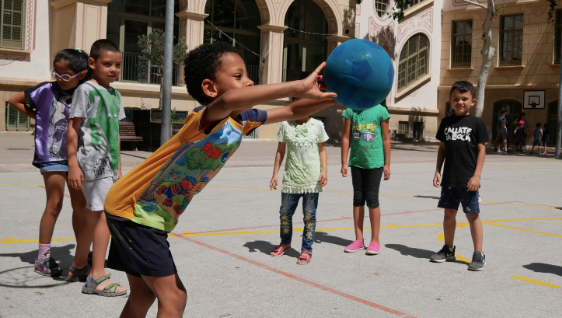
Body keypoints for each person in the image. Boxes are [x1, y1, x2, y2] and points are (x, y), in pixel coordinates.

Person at [103, 41, 336, 317]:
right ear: (210, 88)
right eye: (238, 77)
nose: (249, 82)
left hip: (141, 213)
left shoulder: (242, 119)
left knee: (143, 294)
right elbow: (226, 102)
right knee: (174, 298)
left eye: (247, 76)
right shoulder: (203, 118)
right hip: (134, 212)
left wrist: (330, 97)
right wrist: (297, 86)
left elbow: (291, 112)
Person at [6, 49, 89, 277]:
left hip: (78, 157)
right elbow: (13, 100)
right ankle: (42, 258)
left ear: (81, 74)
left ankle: (82, 252)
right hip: (52, 155)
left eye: (65, 75)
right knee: (54, 204)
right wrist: (40, 116)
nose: (59, 79)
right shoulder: (45, 89)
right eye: (57, 73)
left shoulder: (86, 93)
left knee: (80, 205)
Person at [65, 40, 128, 295]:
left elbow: (116, 134)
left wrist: (119, 167)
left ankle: (80, 264)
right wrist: (72, 164)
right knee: (104, 215)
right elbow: (73, 128)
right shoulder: (86, 90)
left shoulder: (115, 94)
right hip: (92, 161)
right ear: (92, 64)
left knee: (94, 214)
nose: (113, 69)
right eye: (107, 64)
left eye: (118, 65)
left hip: (109, 165)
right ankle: (97, 276)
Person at [430, 81, 489, 271]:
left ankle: (478, 253)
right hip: (450, 178)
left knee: (472, 215)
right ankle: (448, 249)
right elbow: (442, 149)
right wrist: (438, 170)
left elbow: (481, 150)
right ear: (450, 101)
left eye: (464, 99)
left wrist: (477, 175)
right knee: (449, 213)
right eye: (456, 99)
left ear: (473, 101)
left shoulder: (477, 123)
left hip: (469, 179)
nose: (460, 102)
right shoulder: (446, 122)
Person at [269, 107, 329, 265]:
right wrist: (275, 173)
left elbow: (322, 149)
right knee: (285, 213)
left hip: (312, 179)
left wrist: (324, 171)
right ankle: (285, 243)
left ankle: (306, 250)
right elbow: (280, 151)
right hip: (291, 178)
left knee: (309, 216)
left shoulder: (318, 125)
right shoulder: (285, 125)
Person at [340, 103, 391, 255]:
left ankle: (375, 240)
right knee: (358, 198)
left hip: (375, 163)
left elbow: (386, 139)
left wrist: (387, 164)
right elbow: (346, 137)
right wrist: (344, 162)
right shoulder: (351, 110)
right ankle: (359, 239)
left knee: (372, 198)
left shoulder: (381, 110)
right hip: (357, 162)